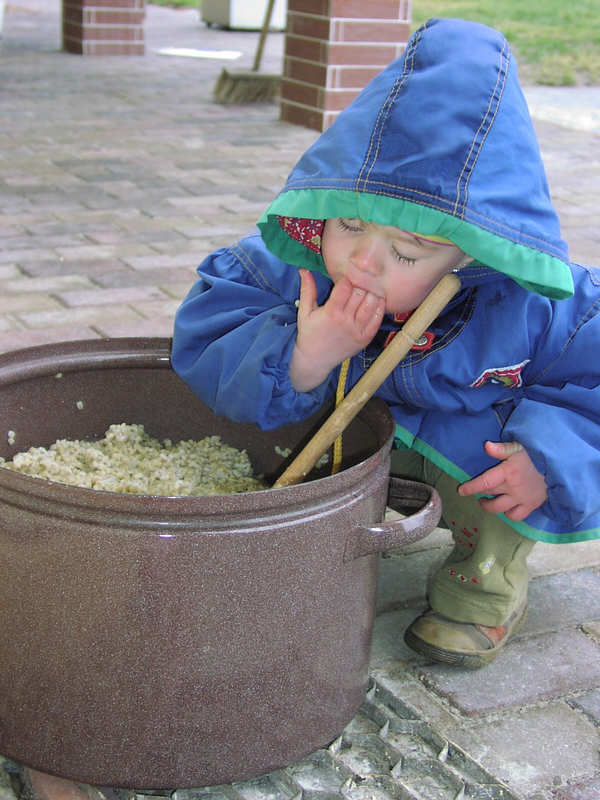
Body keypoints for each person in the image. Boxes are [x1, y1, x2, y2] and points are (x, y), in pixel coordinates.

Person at [172, 17, 600, 669]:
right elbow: (207, 335)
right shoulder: (289, 268)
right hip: (342, 446)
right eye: (348, 224)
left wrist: (552, 458)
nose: (363, 263)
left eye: (407, 249)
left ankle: (480, 590)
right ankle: (300, 549)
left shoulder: (538, 307)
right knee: (280, 473)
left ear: (477, 250)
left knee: (504, 482)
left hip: (465, 461)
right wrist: (304, 354)